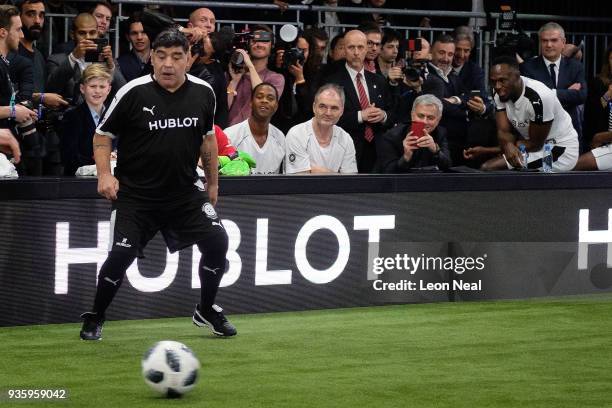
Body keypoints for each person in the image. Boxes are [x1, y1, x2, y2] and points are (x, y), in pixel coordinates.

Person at [79, 29, 235, 340]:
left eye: (176, 57)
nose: (168, 64)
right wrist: (105, 175)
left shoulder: (205, 92)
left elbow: (207, 140)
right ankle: (96, 315)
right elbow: (102, 136)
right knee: (120, 256)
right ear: (152, 58)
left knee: (218, 243)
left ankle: (206, 308)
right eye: (161, 56)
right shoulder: (133, 92)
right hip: (138, 195)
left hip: (184, 191)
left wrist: (213, 183)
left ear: (188, 59)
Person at [480, 56, 579, 172]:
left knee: (489, 168)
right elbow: (504, 132)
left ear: (517, 76)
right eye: (493, 81)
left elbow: (535, 144)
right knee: (491, 165)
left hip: (559, 149)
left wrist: (495, 149)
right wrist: (506, 146)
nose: (497, 86)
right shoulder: (499, 92)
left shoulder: (539, 97)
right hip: (529, 146)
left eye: (502, 80)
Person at [324, 29, 393, 173]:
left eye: (360, 47)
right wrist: (361, 116)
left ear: (366, 48)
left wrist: (383, 115)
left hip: (378, 151)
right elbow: (327, 117)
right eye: (351, 47)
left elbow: (393, 111)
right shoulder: (332, 80)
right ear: (344, 49)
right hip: (346, 149)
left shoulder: (379, 80)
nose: (356, 52)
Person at [520, 22, 587, 148]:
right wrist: (565, 93)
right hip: (540, 133)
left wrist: (550, 93)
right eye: (544, 41)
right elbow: (532, 100)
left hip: (569, 131)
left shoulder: (575, 66)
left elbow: (581, 95)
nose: (549, 45)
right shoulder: (527, 67)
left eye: (554, 40)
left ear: (563, 42)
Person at [46, 13, 126, 106]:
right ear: (72, 34)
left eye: (92, 33)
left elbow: (123, 92)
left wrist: (111, 66)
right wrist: (73, 57)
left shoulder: (106, 61)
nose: (88, 37)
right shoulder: (56, 60)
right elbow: (51, 88)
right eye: (82, 33)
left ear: (97, 33)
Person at [285, 83, 357, 174]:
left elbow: (351, 181)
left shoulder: (346, 139)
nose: (328, 113)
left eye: (334, 108)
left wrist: (313, 171)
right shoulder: (296, 134)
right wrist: (338, 175)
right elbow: (299, 178)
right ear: (314, 107)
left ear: (342, 111)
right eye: (322, 106)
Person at [227, 25, 284, 126]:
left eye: (264, 40)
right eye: (254, 40)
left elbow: (263, 95)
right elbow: (224, 108)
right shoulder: (233, 73)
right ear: (248, 44)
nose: (259, 44)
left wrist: (250, 66)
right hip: (228, 133)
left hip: (255, 134)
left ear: (272, 45)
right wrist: (234, 81)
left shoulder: (276, 78)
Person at [378, 94, 451, 172]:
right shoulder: (392, 136)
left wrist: (436, 150)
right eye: (420, 116)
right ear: (412, 115)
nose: (424, 121)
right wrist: (406, 157)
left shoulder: (440, 133)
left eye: (430, 118)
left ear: (438, 119)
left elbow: (448, 166)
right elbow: (387, 173)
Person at [60, 64, 111, 176]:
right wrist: (100, 159)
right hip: (79, 181)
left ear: (109, 89)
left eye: (102, 87)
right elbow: (69, 156)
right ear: (82, 88)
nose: (97, 91)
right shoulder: (71, 116)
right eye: (92, 86)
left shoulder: (115, 116)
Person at [224, 82, 285, 174]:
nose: (264, 100)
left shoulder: (280, 138)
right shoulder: (230, 135)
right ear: (251, 103)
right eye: (259, 97)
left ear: (276, 106)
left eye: (270, 98)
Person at [117, 12, 151, 82]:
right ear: (128, 37)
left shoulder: (161, 60)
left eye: (144, 32)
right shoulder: (120, 64)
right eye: (134, 33)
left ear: (151, 34)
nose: (139, 37)